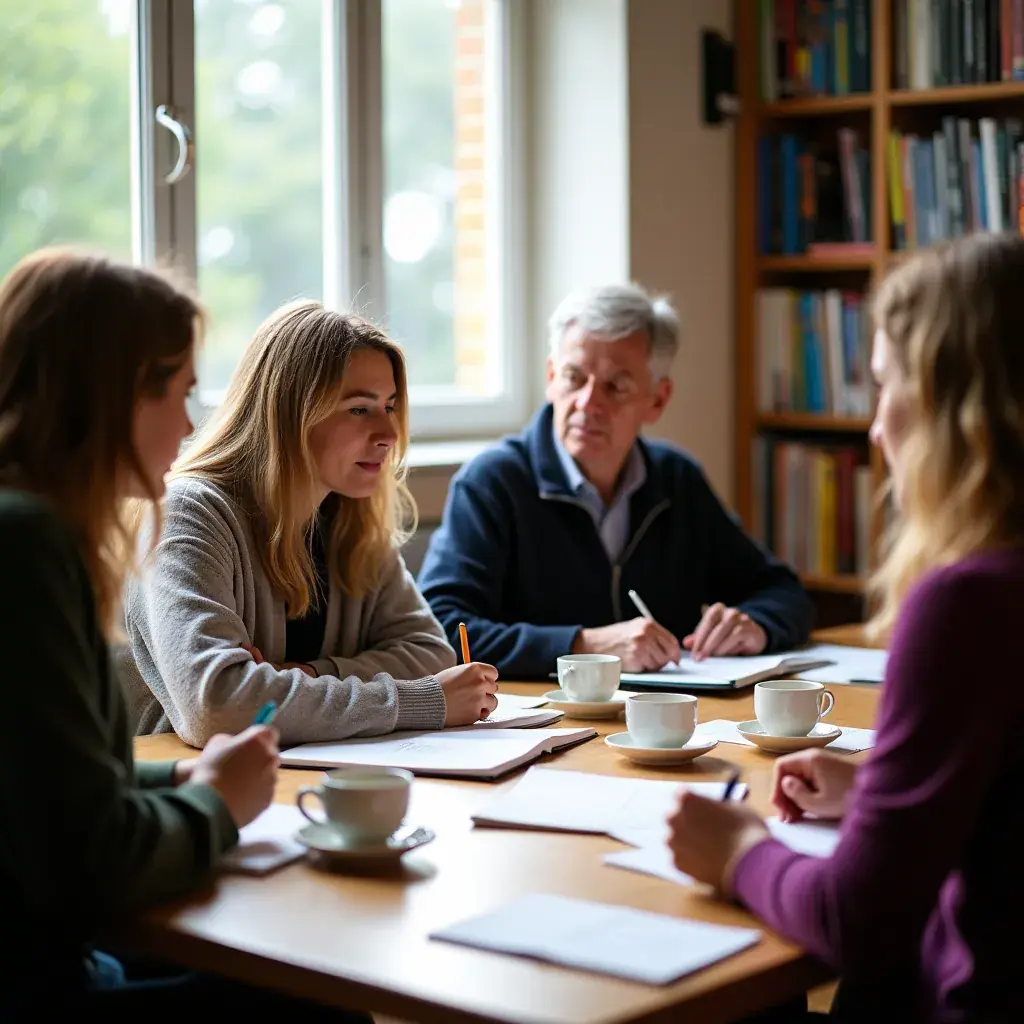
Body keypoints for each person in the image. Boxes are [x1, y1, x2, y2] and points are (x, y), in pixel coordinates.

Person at [666, 233, 1024, 1023]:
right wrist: (885, 796)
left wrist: (740, 851)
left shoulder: (968, 603)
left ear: (953, 406)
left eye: (886, 386)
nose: (874, 430)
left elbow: (856, 921)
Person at [0, 248, 350, 1016]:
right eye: (178, 392)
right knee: (314, 992)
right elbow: (90, 862)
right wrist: (218, 803)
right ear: (111, 396)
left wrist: (180, 780)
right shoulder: (26, 546)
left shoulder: (35, 528)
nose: (190, 425)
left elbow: (52, 788)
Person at [123, 300, 498, 748]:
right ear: (289, 412)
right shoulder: (186, 512)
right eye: (359, 409)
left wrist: (302, 677)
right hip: (179, 779)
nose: (389, 434)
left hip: (294, 771)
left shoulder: (352, 519)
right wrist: (420, 701)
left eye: (390, 406)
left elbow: (431, 653)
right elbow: (218, 705)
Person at [418, 283, 813, 679]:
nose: (588, 403)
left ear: (657, 399)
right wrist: (583, 646)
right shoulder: (493, 483)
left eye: (615, 386)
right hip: (540, 714)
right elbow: (440, 629)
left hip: (671, 712)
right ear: (551, 377)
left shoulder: (676, 479)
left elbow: (784, 592)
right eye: (574, 377)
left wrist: (756, 625)